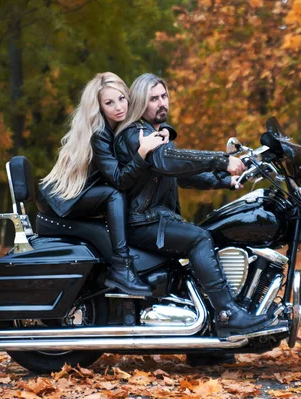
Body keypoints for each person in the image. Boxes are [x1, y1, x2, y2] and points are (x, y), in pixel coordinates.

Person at [115, 73, 273, 338]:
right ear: (140, 103)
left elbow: (183, 174)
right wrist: (222, 161)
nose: (161, 103)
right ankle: (228, 314)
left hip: (156, 219)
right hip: (143, 222)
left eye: (164, 96)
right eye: (153, 98)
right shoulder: (136, 134)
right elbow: (169, 162)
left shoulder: (157, 135)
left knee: (212, 236)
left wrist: (226, 180)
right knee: (200, 238)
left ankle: (209, 342)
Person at [38, 72, 168, 296]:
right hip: (64, 199)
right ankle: (121, 266)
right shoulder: (99, 134)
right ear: (99, 107)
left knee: (114, 194)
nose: (119, 107)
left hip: (82, 192)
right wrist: (142, 152)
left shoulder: (117, 127)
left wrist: (166, 131)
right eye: (109, 103)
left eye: (122, 99)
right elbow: (119, 179)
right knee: (113, 194)